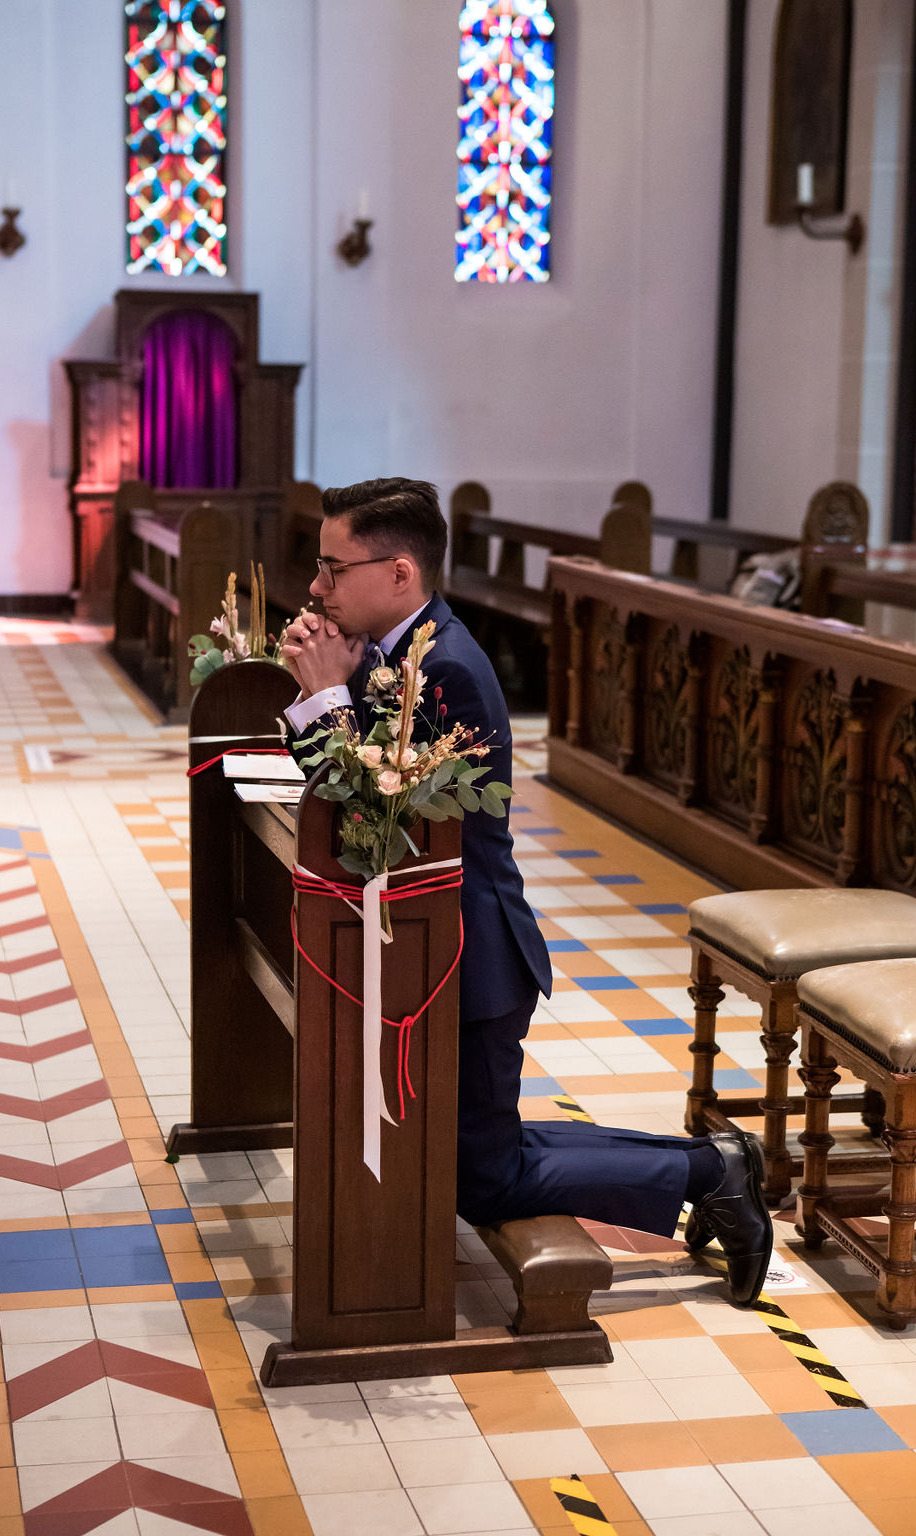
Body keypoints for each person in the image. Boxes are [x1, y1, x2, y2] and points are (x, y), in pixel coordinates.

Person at [281, 477, 772, 1305]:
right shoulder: (398, 653)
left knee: (484, 1179)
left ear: (399, 573)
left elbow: (378, 823)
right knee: (476, 1144)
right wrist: (318, 691)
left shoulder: (447, 671)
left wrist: (331, 700)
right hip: (430, 946)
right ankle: (714, 1163)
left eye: (334, 568)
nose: (316, 585)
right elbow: (355, 800)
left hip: (469, 957)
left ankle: (706, 1173)